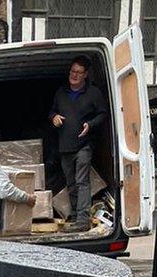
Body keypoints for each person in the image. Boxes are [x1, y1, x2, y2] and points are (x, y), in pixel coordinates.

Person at [49, 55, 107, 233]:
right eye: (72, 71)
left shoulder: (93, 93)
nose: (74, 75)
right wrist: (54, 117)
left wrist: (90, 125)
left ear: (85, 75)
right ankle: (75, 214)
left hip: (84, 145)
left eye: (79, 72)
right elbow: (51, 111)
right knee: (71, 182)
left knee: (82, 181)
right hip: (65, 146)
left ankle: (83, 218)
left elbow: (103, 114)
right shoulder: (61, 93)